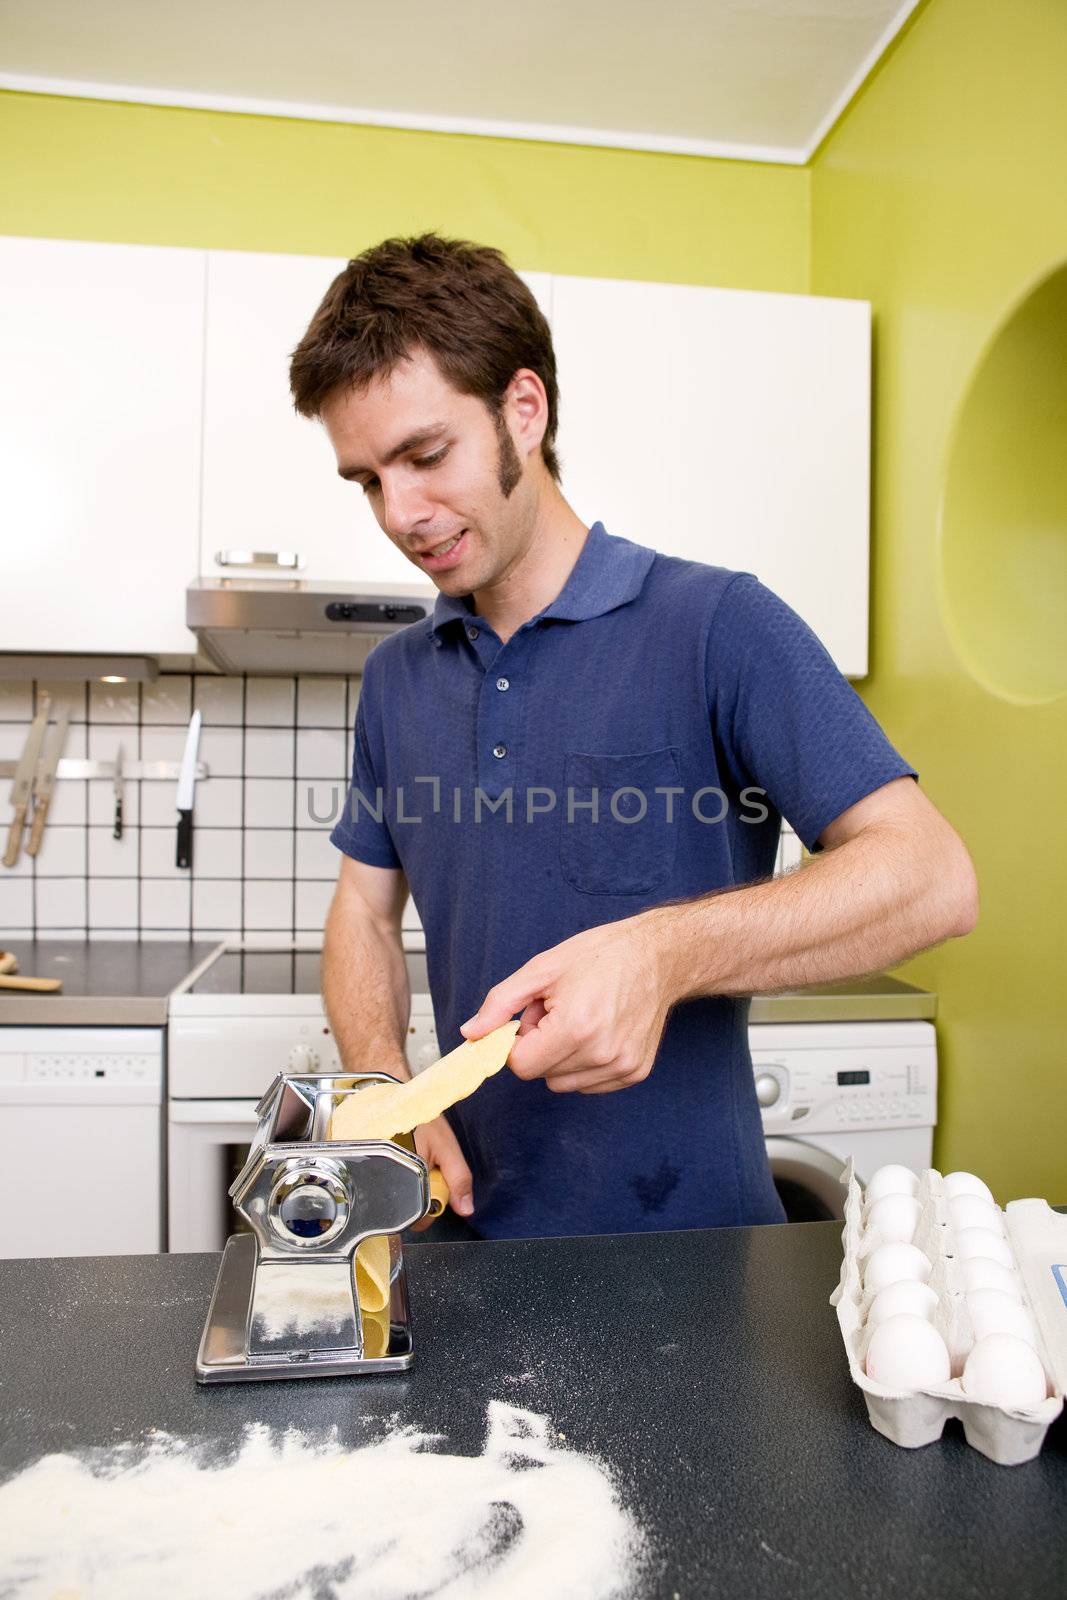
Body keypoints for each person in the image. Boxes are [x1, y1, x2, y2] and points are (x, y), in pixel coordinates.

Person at [289, 233, 978, 1240]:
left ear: (524, 409)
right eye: (365, 479)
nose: (400, 512)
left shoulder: (717, 626)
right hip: (464, 1240)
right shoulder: (397, 677)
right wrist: (389, 1083)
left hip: (688, 1251)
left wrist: (662, 953)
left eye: (425, 455)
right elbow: (360, 909)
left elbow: (930, 877)